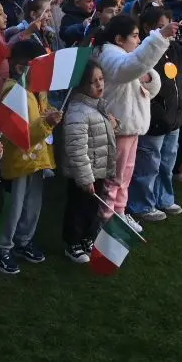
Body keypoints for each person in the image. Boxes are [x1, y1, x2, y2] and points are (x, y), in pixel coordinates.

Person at [0, 39, 57, 275]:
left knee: (32, 204)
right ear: (21, 68)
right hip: (17, 161)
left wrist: (48, 117)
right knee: (14, 206)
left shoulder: (37, 91)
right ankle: (3, 248)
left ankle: (24, 240)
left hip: (38, 160)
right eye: (40, 67)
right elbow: (21, 137)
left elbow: (39, 119)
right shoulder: (13, 92)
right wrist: (47, 124)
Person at [96, 14, 170, 218]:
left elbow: (147, 86)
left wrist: (148, 77)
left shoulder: (125, 55)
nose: (138, 41)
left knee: (125, 177)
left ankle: (120, 213)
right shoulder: (109, 54)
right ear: (119, 39)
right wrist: (159, 38)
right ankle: (107, 220)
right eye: (135, 36)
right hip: (118, 128)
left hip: (130, 127)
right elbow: (127, 68)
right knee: (114, 179)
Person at [129, 5, 182, 222]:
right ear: (147, 28)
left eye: (169, 26)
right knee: (148, 164)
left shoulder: (174, 48)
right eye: (161, 28)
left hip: (173, 116)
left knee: (166, 162)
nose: (168, 32)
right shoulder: (144, 51)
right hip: (155, 118)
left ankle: (164, 198)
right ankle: (142, 204)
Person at [59, 62, 115, 263]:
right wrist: (84, 178)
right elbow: (76, 149)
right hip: (82, 174)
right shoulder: (77, 112)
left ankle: (87, 238)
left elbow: (98, 137)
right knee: (77, 207)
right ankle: (72, 242)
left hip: (97, 170)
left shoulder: (96, 105)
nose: (99, 85)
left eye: (101, 79)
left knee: (92, 208)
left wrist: (111, 125)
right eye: (93, 82)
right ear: (81, 86)